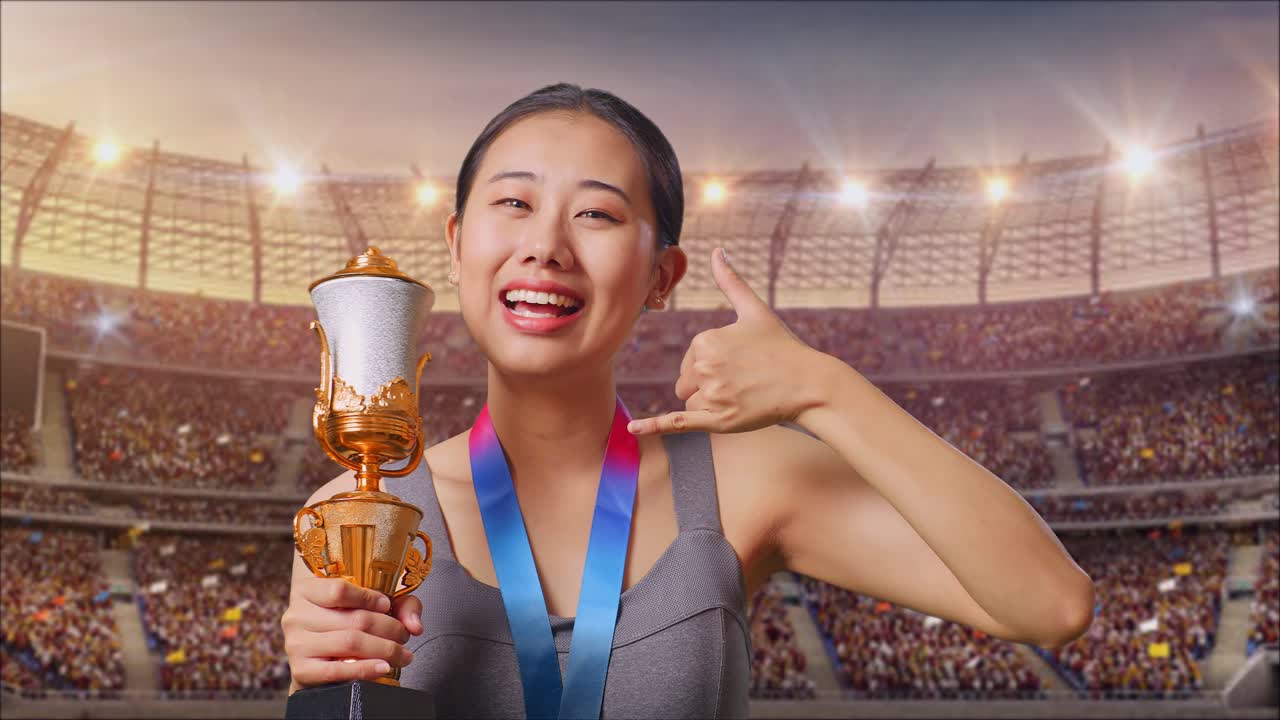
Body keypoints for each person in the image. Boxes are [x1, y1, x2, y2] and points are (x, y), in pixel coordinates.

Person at [281, 83, 1096, 717]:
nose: (546, 245)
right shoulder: (361, 512)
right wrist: (324, 688)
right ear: (458, 247)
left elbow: (1051, 604)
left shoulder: (748, 482)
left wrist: (825, 390)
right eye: (514, 203)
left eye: (597, 213)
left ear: (661, 279)